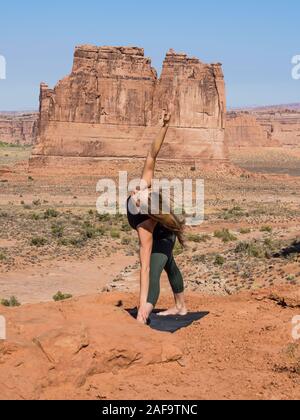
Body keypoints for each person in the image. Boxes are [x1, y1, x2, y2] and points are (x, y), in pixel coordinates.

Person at [127, 112, 187, 324]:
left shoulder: (146, 226)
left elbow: (145, 270)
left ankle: (147, 311)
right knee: (169, 263)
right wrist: (165, 126)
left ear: (142, 208)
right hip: (160, 226)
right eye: (141, 191)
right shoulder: (143, 188)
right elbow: (152, 154)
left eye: (140, 197)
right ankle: (180, 306)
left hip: (165, 236)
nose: (137, 192)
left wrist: (143, 307)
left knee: (156, 267)